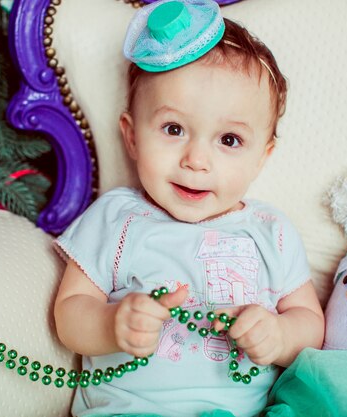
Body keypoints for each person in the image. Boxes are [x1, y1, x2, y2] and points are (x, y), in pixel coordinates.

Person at [53, 1, 324, 416]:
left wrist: (282, 334)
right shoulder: (117, 219)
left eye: (229, 140)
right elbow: (70, 312)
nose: (196, 160)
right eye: (174, 129)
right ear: (132, 136)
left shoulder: (270, 230)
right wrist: (110, 324)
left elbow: (309, 320)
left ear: (262, 156)